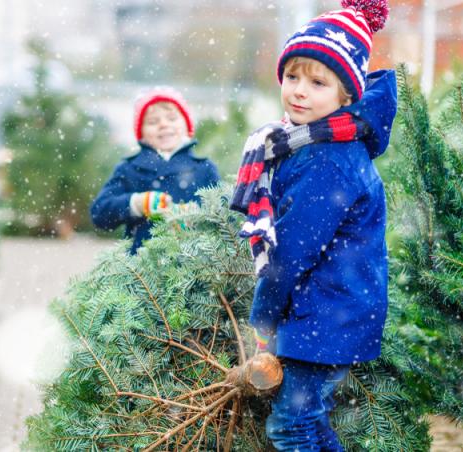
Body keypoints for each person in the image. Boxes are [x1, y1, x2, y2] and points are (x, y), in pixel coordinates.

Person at [229, 0, 397, 449]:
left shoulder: (328, 160)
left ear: (347, 95)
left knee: (292, 427)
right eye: (292, 77)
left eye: (318, 81)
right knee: (309, 423)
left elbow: (291, 251)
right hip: (329, 314)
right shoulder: (306, 143)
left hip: (326, 316)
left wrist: (263, 316)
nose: (299, 90)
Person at [90, 87, 220, 253]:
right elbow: (99, 214)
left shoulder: (204, 169)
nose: (164, 125)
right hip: (141, 269)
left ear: (186, 125)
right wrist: (136, 203)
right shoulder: (129, 169)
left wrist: (194, 215)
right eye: (153, 122)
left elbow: (224, 217)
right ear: (141, 133)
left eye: (172, 118)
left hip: (194, 269)